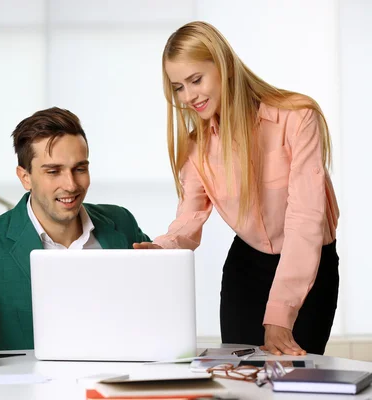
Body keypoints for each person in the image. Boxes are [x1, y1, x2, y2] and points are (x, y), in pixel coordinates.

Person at [134, 21, 339, 356]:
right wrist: (163, 248)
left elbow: (306, 220)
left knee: (295, 381)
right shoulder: (197, 146)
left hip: (309, 266)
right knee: (239, 381)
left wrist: (280, 314)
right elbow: (190, 218)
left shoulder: (297, 118)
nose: (189, 96)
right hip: (247, 268)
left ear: (224, 66)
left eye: (196, 80)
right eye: (178, 87)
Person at [0, 107, 150, 368]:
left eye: (80, 169)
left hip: (124, 382)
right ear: (25, 177)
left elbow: (154, 297)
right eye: (53, 171)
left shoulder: (120, 222)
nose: (71, 185)